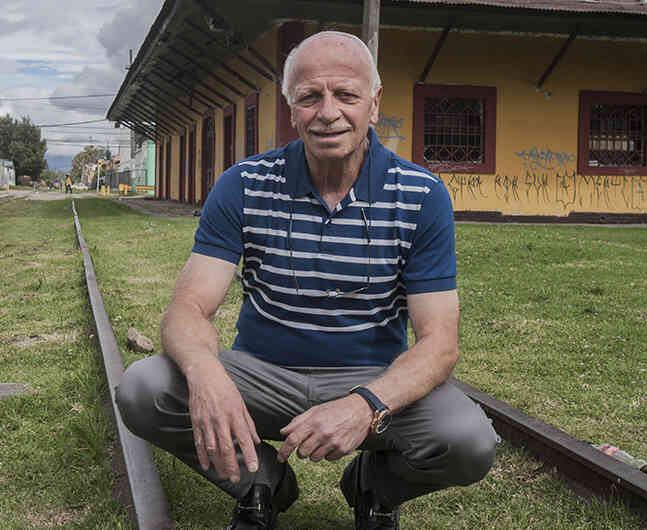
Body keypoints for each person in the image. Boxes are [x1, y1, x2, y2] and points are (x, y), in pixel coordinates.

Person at [115, 31, 498, 530]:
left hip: (370, 377)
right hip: (261, 373)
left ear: (374, 105)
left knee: (469, 440)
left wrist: (367, 405)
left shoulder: (421, 195)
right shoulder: (244, 184)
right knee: (144, 389)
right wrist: (207, 374)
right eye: (310, 96)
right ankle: (261, 483)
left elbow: (440, 343)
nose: (328, 112)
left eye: (346, 95)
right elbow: (188, 307)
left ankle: (373, 487)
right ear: (291, 108)